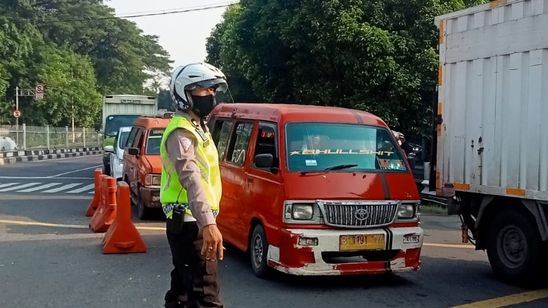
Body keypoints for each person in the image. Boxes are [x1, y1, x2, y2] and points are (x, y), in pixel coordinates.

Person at [160, 62, 227, 308]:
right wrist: (208, 223)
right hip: (190, 224)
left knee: (182, 291)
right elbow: (192, 178)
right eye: (203, 90)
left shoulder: (198, 127)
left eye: (213, 91)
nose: (211, 95)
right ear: (184, 93)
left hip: (190, 221)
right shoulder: (181, 133)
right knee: (206, 296)